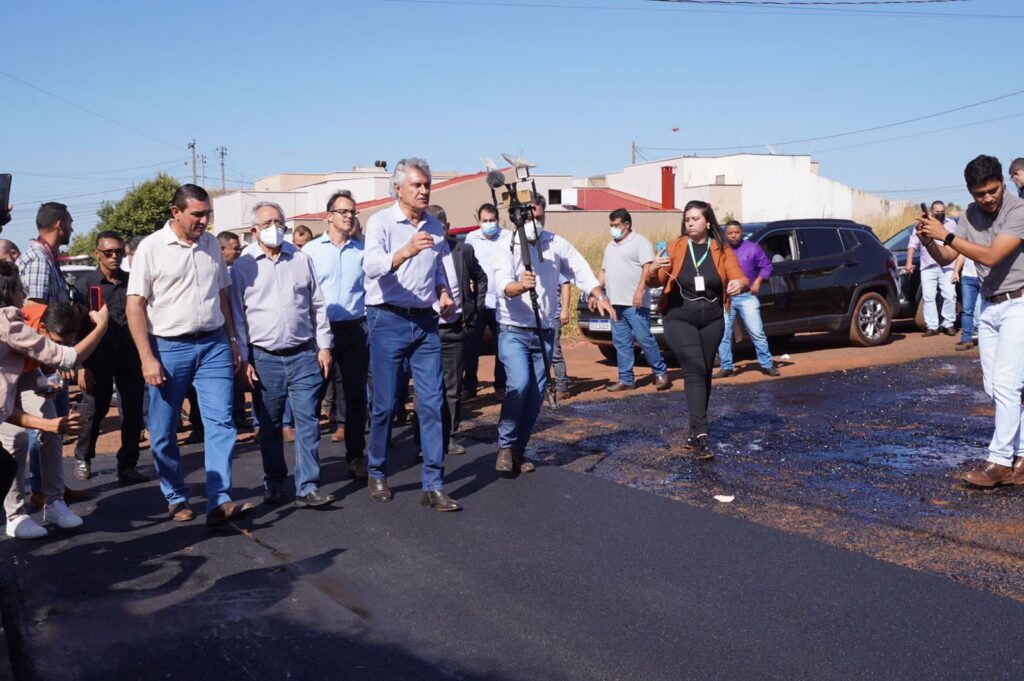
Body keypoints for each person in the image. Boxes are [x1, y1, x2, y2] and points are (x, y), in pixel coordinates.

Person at [126, 183, 255, 526]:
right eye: (197, 214)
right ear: (176, 212)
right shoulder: (151, 248)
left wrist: (231, 339)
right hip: (168, 348)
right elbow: (135, 306)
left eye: (207, 214)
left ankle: (220, 499)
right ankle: (175, 496)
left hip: (213, 344)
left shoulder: (211, 244)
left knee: (221, 422)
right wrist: (147, 358)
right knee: (164, 429)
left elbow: (222, 294)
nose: (203, 221)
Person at [916, 155, 1024, 488]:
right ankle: (1021, 456)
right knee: (996, 387)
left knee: (1006, 384)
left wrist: (946, 235)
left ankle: (1000, 462)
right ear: (970, 192)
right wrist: (929, 239)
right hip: (989, 307)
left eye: (993, 191)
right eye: (980, 194)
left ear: (1003, 183)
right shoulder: (970, 215)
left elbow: (991, 256)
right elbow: (947, 257)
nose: (988, 199)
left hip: (1019, 303)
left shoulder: (1018, 210)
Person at [362, 158, 461, 511]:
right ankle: (376, 470)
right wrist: (405, 250)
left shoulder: (435, 226)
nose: (423, 190)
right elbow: (371, 267)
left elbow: (438, 271)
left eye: (427, 185)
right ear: (398, 189)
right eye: (416, 185)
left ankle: (433, 484)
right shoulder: (381, 222)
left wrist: (443, 293)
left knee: (432, 403)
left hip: (425, 323)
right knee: (386, 404)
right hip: (387, 319)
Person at [493, 196, 616, 475]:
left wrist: (599, 294)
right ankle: (506, 445)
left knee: (536, 394)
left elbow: (580, 269)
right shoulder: (506, 244)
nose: (534, 221)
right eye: (528, 216)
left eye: (539, 215)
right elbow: (502, 284)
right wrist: (519, 286)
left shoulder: (556, 243)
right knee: (519, 384)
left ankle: (518, 450)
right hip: (513, 329)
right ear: (518, 216)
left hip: (544, 331)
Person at [231, 202, 335, 507]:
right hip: (264, 358)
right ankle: (275, 482)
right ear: (254, 231)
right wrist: (244, 358)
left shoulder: (301, 259)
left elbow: (317, 304)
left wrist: (324, 345)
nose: (273, 228)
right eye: (266, 223)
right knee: (270, 425)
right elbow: (237, 316)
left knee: (308, 422)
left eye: (278, 222)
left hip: (303, 354)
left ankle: (308, 486)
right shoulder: (243, 266)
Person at [0, 264, 108, 538]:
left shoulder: (34, 315)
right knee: (16, 442)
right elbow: (67, 358)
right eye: (19, 288)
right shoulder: (11, 322)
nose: (25, 293)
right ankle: (15, 515)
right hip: (5, 390)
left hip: (21, 380)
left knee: (52, 431)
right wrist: (102, 326)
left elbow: (33, 365)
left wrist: (43, 381)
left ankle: (54, 502)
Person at [649, 201, 747, 461]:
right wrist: (653, 268)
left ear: (708, 222)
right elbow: (654, 280)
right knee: (693, 368)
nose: (690, 223)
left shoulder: (721, 248)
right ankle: (703, 436)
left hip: (712, 319)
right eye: (687, 219)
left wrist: (738, 283)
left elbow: (739, 276)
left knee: (703, 372)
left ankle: (694, 429)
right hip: (679, 317)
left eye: (695, 219)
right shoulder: (677, 246)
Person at [17, 202, 84, 506]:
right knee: (44, 427)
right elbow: (34, 319)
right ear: (59, 224)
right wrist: (52, 363)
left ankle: (51, 485)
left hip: (52, 358)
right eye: (69, 222)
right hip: (44, 363)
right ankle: (41, 490)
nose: (72, 228)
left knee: (54, 428)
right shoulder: (38, 262)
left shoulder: (47, 258)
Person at [72, 231, 147, 484]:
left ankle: (127, 465)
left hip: (130, 356)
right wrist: (80, 365)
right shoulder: (86, 285)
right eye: (108, 252)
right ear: (98, 254)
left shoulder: (132, 281)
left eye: (118, 252)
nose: (114, 256)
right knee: (96, 409)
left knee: (134, 410)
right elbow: (77, 328)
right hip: (97, 358)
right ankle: (83, 456)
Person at [304, 189, 370, 479]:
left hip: (355, 330)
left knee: (356, 398)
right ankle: (309, 466)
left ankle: (355, 457)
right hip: (320, 333)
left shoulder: (362, 252)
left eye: (352, 211)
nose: (349, 216)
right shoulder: (310, 252)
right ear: (328, 216)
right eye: (343, 211)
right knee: (312, 398)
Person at [423, 205, 487, 456]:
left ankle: (449, 436)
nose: (435, 233)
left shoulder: (463, 251)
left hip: (456, 329)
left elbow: (481, 279)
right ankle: (423, 441)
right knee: (427, 390)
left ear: (448, 228)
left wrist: (475, 309)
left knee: (452, 388)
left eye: (440, 228)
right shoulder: (418, 253)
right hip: (426, 330)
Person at [599, 208, 671, 391]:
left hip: (635, 303)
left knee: (644, 339)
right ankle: (626, 379)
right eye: (611, 225)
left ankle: (661, 373)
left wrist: (640, 291)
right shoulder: (610, 246)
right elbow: (604, 272)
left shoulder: (640, 242)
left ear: (626, 224)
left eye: (616, 225)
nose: (613, 229)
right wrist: (596, 292)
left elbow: (647, 268)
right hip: (615, 304)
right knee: (621, 343)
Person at [714, 220, 780, 378]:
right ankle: (726, 367)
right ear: (725, 234)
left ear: (741, 232)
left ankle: (767, 364)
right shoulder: (720, 250)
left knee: (757, 332)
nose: (733, 235)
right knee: (723, 334)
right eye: (730, 233)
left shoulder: (752, 248)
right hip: (726, 298)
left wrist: (757, 281)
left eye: (736, 232)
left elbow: (767, 266)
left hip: (747, 296)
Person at [463, 203, 508, 399]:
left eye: (492, 220)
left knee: (501, 347)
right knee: (471, 346)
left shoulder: (508, 237)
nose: (488, 224)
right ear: (478, 221)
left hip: (502, 302)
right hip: (478, 301)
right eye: (485, 221)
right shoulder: (471, 238)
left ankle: (501, 386)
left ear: (498, 220)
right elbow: (466, 267)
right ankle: (469, 387)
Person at [907, 201, 958, 337]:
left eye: (942, 212)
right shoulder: (923, 223)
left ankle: (948, 323)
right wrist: (909, 262)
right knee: (928, 297)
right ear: (931, 211)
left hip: (947, 266)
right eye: (937, 212)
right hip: (928, 266)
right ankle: (932, 326)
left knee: (950, 295)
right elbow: (913, 243)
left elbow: (955, 244)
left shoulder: (951, 224)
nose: (940, 214)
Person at [218, 231, 251, 431]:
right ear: (222, 249)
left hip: (237, 331)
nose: (238, 252)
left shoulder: (238, 271)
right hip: (218, 333)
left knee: (238, 373)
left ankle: (239, 415)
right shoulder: (215, 271)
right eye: (235, 249)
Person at [952, 252, 981, 351]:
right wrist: (956, 271)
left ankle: (986, 337)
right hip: (967, 277)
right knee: (967, 310)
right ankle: (966, 339)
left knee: (985, 309)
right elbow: (962, 253)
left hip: (985, 277)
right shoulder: (968, 241)